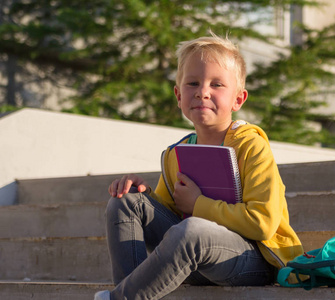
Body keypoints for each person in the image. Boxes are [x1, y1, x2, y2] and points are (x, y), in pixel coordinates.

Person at [95, 33, 304, 300]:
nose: (203, 92)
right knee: (125, 201)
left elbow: (262, 224)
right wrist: (143, 194)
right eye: (192, 83)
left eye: (217, 84)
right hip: (196, 258)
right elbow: (169, 219)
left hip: (253, 260)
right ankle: (130, 289)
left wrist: (199, 205)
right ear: (178, 95)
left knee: (192, 230)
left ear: (238, 100)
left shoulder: (251, 146)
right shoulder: (176, 154)